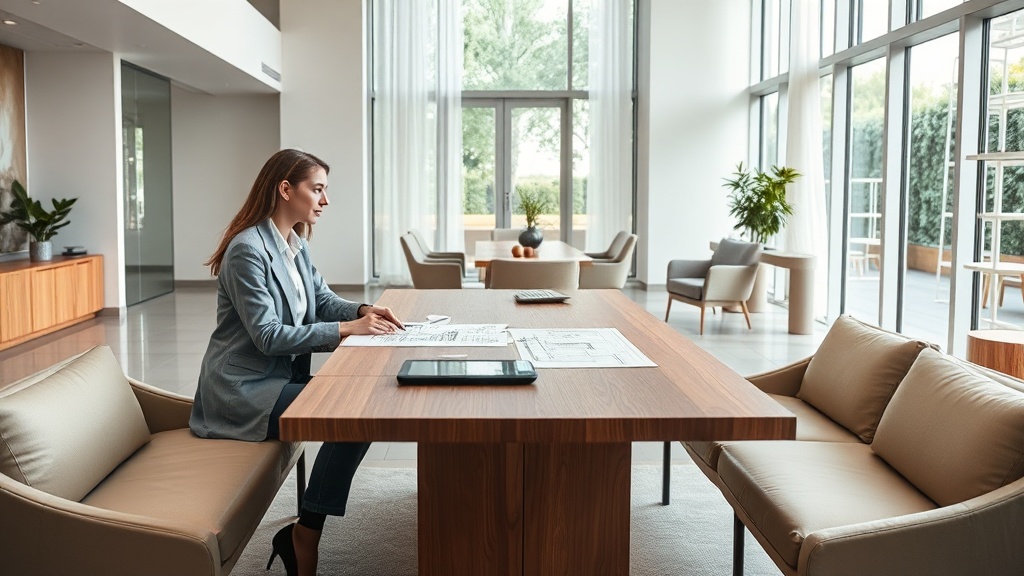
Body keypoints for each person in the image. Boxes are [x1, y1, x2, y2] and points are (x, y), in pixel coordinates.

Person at [189, 149, 403, 576]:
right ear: (286, 189)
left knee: (359, 409)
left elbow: (320, 300)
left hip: (274, 381)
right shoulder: (246, 250)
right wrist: (346, 331)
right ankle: (305, 533)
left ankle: (304, 529)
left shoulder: (293, 242)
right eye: (317, 189)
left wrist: (363, 310)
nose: (325, 201)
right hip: (242, 393)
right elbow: (268, 336)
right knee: (353, 413)